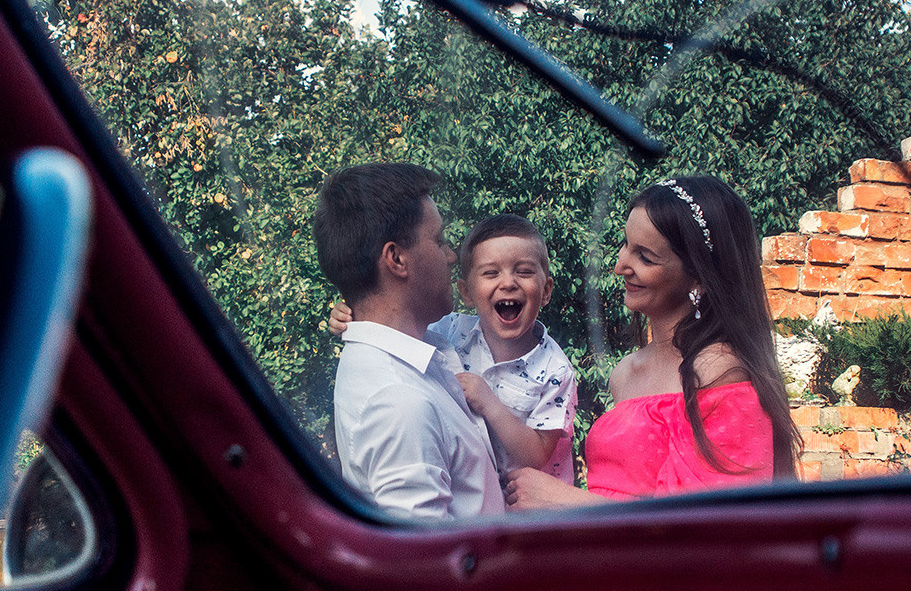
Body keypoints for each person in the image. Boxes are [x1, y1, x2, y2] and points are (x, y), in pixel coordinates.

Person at [505, 176, 798, 508]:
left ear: (699, 277)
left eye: (645, 257)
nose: (620, 266)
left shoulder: (720, 373)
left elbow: (711, 523)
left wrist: (565, 503)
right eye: (626, 244)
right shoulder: (627, 372)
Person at [329, 213, 578, 481]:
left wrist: (489, 403)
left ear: (546, 290)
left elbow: (538, 455)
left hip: (529, 503)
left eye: (524, 271)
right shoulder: (449, 331)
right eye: (491, 273)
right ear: (466, 292)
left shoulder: (556, 370)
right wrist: (355, 314)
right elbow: (397, 330)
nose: (508, 283)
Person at [315, 164, 503, 518]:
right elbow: (429, 551)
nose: (451, 256)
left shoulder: (415, 354)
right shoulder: (398, 402)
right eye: (439, 240)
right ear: (397, 259)